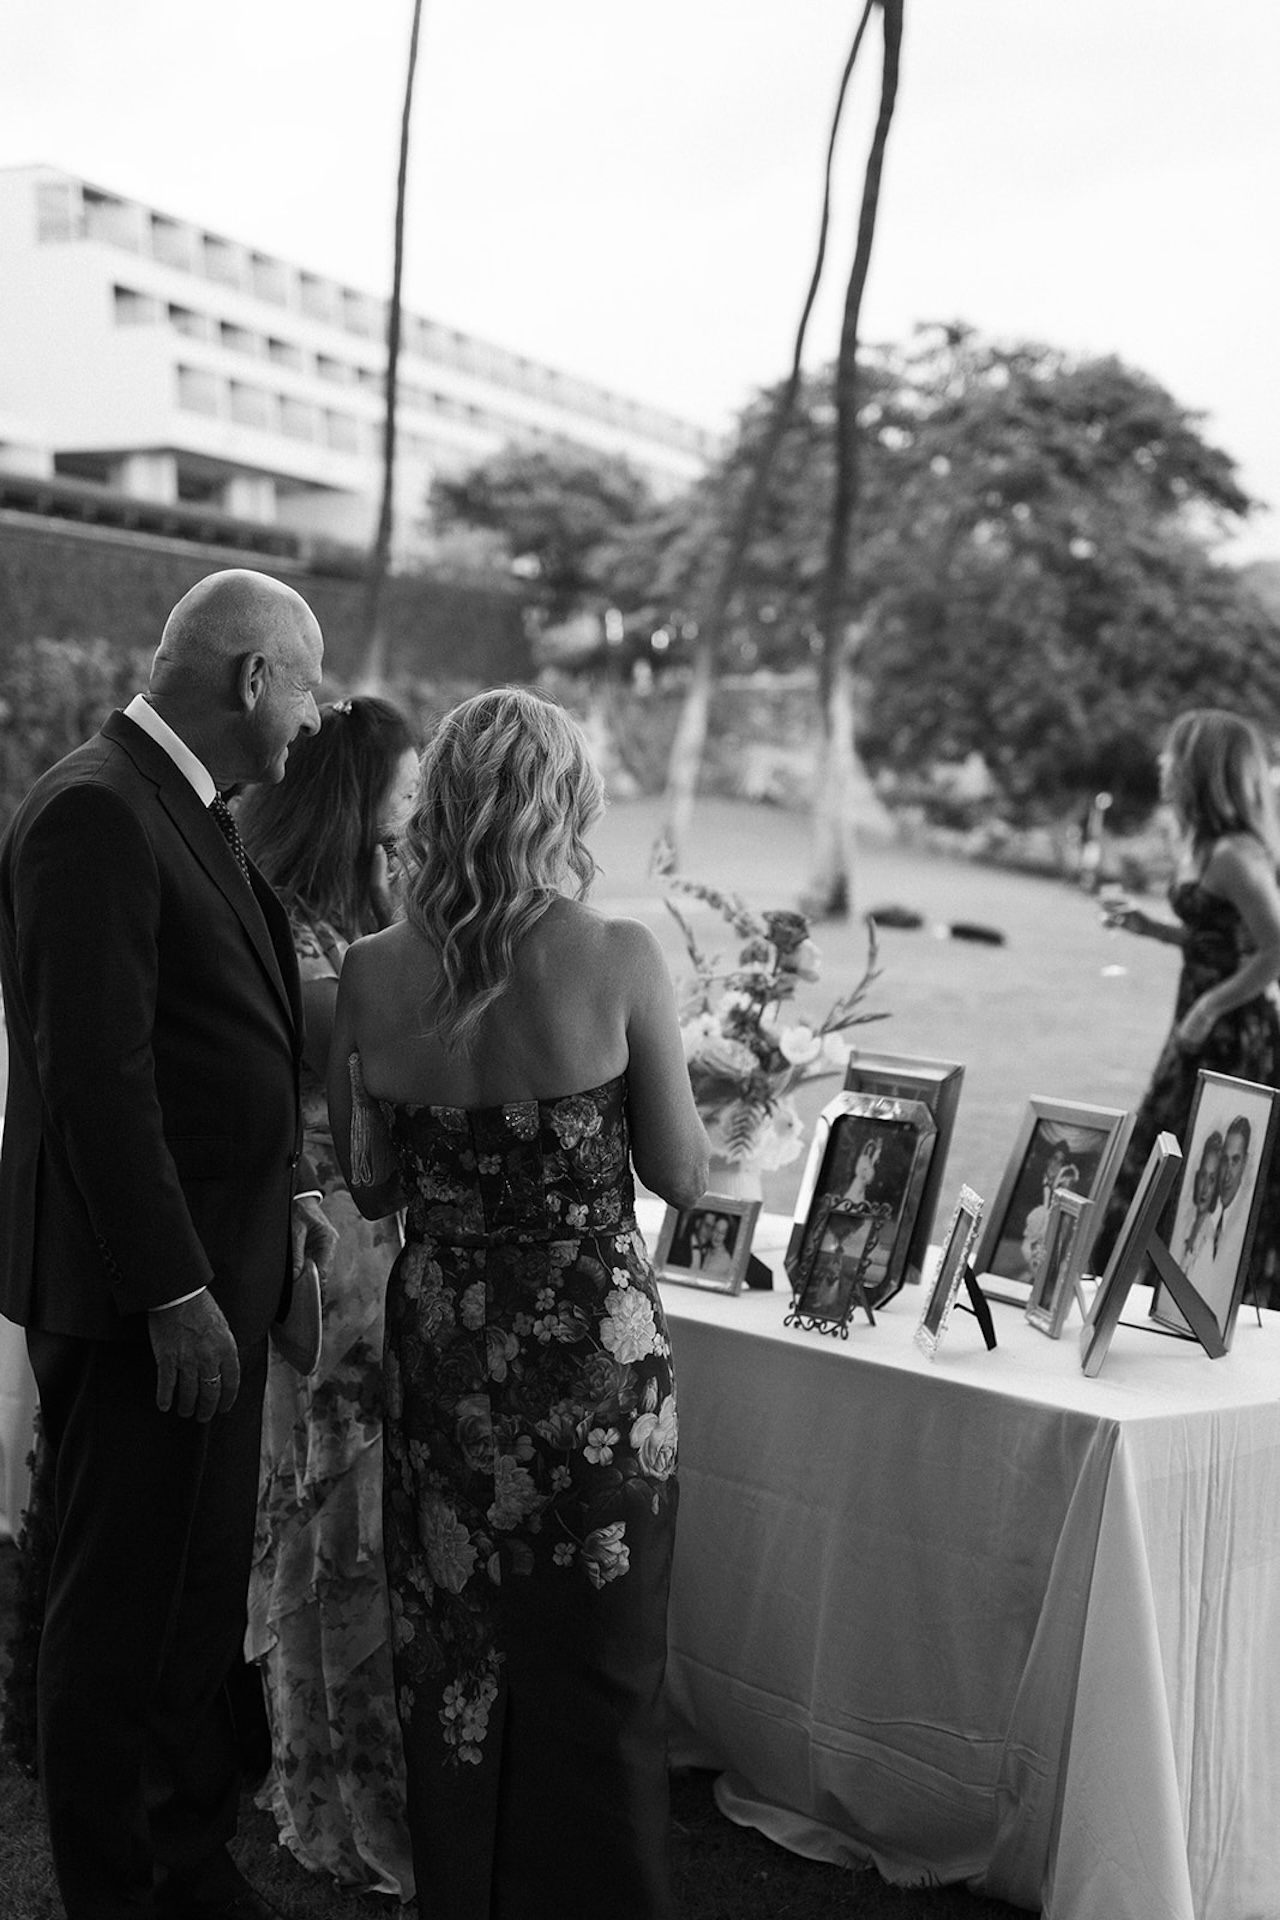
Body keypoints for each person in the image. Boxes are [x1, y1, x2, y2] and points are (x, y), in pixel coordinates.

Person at [327, 687, 709, 1920]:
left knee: (454, 1648)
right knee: (598, 1659)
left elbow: (371, 1177)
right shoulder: (618, 957)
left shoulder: (373, 973)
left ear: (437, 804)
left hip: (444, 1343)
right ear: (565, 802)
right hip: (591, 1354)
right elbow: (680, 1172)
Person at [0, 569, 337, 1920]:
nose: (315, 721)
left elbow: (217, 1043)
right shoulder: (98, 809)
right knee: (125, 1612)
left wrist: (290, 1184)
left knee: (191, 1601)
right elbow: (98, 1079)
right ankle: (125, 1887)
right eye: (308, 688)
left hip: (212, 1272)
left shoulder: (181, 805)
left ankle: (186, 1864)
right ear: (253, 679)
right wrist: (178, 1287)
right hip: (153, 1298)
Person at [237, 698, 418, 1900]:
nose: (415, 810)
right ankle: (326, 1782)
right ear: (362, 796)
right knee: (325, 1521)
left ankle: (347, 1760)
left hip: (371, 1232)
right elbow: (352, 1057)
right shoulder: (296, 923)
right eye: (403, 788)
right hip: (325, 1242)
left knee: (356, 1515)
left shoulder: (374, 904)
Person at [1099, 709, 1280, 1298]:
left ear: (1200, 768)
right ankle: (1133, 1286)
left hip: (1232, 1034)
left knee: (1195, 1159)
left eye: (1173, 754)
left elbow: (1273, 952)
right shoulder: (1202, 844)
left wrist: (1208, 1010)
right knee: (1164, 1148)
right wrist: (1150, 929)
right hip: (1197, 1024)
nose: (1161, 763)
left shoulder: (1236, 854)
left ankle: (1180, 1293)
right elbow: (1217, 940)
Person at [694, 1213, 737, 1280]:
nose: (717, 1236)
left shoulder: (725, 1259)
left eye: (722, 1233)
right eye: (716, 1230)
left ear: (727, 1236)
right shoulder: (707, 1250)